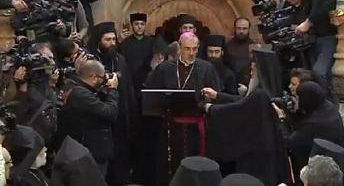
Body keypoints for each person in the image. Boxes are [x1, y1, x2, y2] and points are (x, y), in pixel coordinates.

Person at [137, 32, 222, 186]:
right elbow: (151, 94)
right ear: (179, 48)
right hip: (171, 126)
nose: (191, 53)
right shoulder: (165, 68)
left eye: (195, 49)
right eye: (187, 49)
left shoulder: (206, 68)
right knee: (171, 166)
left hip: (197, 127)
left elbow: (217, 96)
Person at [202, 48, 288, 185]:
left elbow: (238, 109)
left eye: (253, 71)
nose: (250, 73)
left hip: (256, 155)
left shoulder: (260, 94)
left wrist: (212, 109)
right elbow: (241, 101)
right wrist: (217, 96)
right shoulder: (266, 92)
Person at [87, 22, 137, 186]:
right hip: (99, 121)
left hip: (120, 120)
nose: (112, 43)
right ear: (99, 40)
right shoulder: (91, 61)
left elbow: (128, 90)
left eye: (114, 39)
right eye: (107, 39)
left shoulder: (120, 59)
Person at [273, 81, 344, 186]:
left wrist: (282, 120)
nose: (295, 101)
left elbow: (290, 143)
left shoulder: (315, 124)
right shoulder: (328, 107)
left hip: (319, 172)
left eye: (297, 98)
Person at [55, 60, 118, 177]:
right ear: (93, 78)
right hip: (89, 152)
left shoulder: (70, 86)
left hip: (75, 149)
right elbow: (110, 112)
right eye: (102, 77)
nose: (104, 80)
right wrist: (113, 90)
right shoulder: (81, 94)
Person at [295, 0, 338, 93]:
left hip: (330, 33)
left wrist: (309, 22)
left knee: (320, 71)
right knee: (312, 75)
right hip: (315, 35)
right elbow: (309, 4)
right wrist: (302, 21)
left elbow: (329, 3)